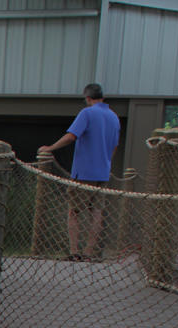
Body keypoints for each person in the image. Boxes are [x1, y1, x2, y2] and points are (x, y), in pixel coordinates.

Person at [38, 83, 121, 261]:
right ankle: (89, 253)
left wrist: (50, 148)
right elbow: (114, 146)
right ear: (102, 97)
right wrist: (106, 163)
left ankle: (75, 252)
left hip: (84, 172)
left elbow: (71, 136)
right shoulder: (114, 117)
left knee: (74, 212)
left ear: (88, 98)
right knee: (96, 212)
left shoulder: (87, 113)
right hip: (102, 173)